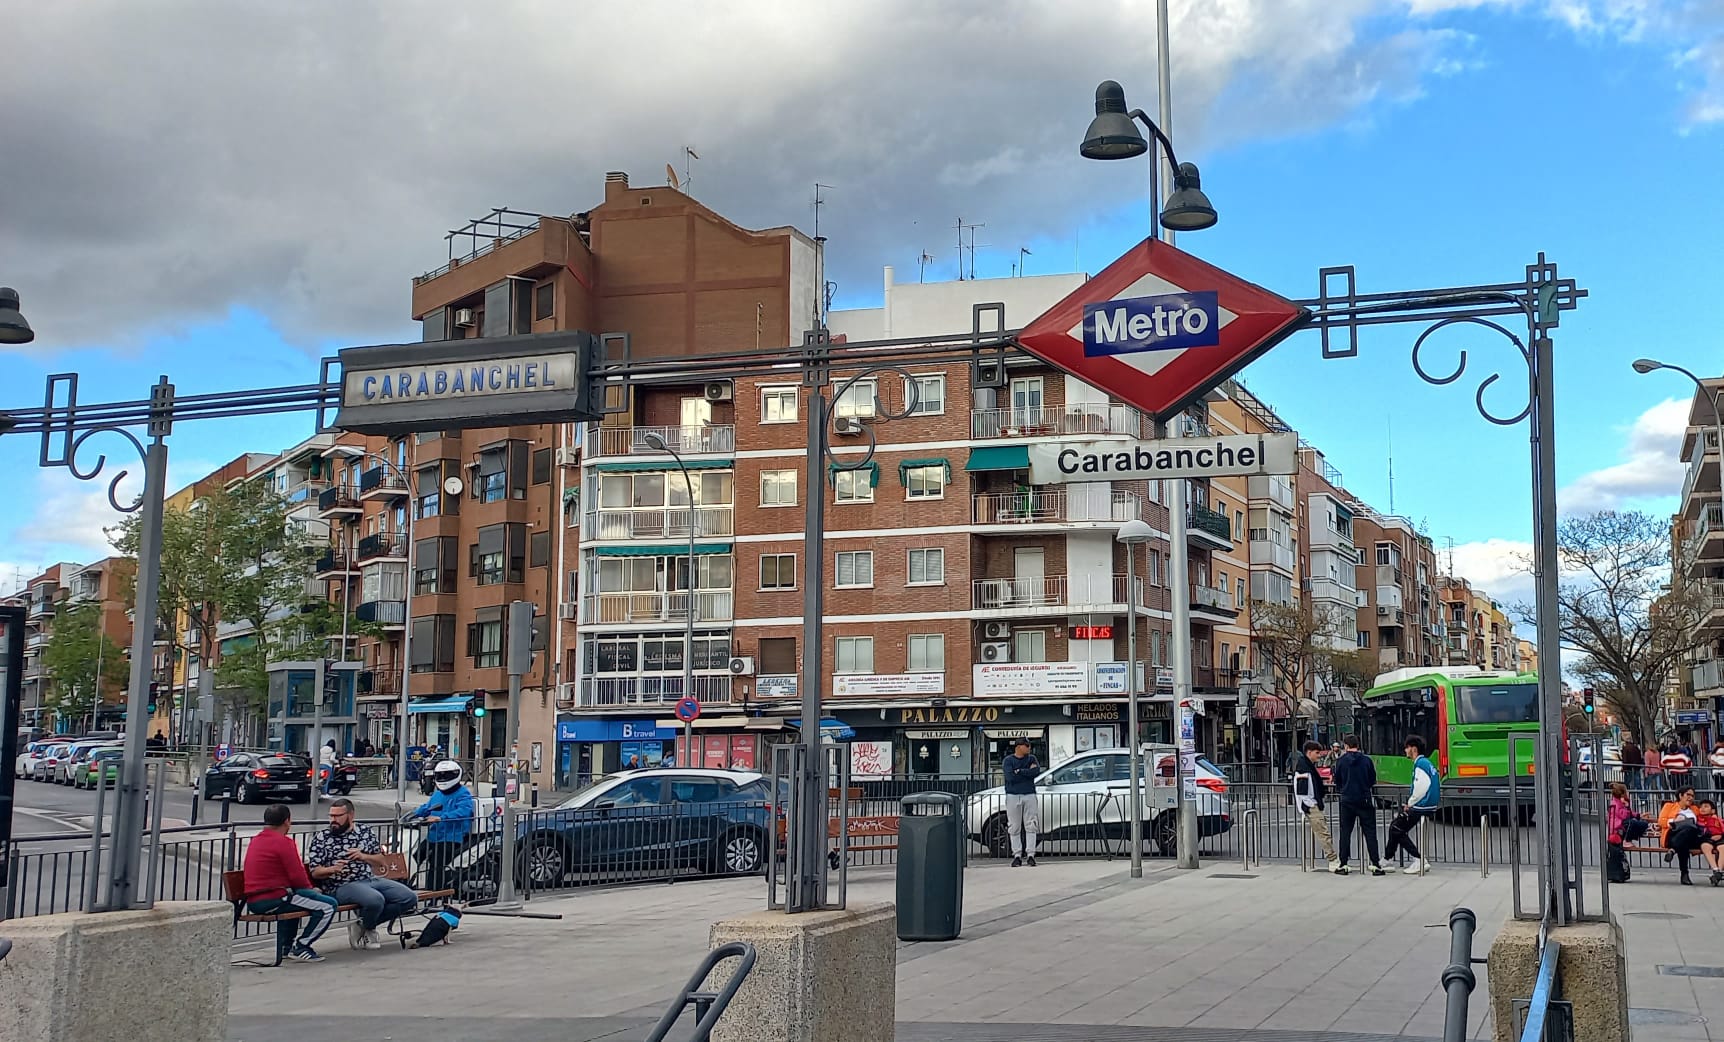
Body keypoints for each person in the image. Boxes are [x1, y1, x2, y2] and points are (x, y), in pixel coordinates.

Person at [305, 798, 419, 950]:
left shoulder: (365, 831)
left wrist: (363, 856)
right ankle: (370, 929)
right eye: (331, 816)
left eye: (338, 816)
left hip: (369, 879)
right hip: (341, 885)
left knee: (409, 897)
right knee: (375, 900)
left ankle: (363, 925)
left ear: (351, 815)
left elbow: (381, 861)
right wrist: (332, 869)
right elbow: (315, 872)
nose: (333, 820)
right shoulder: (322, 838)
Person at [240, 804, 338, 962]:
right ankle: (302, 946)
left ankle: (286, 947)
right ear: (287, 821)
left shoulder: (256, 840)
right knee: (328, 906)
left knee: (297, 900)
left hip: (254, 900)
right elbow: (297, 876)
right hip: (274, 897)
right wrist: (311, 889)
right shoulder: (284, 842)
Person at [411, 760, 475, 892]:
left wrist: (442, 817)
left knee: (436, 864)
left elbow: (464, 811)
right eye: (440, 775)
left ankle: (433, 894)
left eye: (446, 775)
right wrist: (414, 813)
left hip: (452, 836)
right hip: (434, 835)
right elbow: (427, 807)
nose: (443, 778)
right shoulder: (437, 793)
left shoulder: (463, 793)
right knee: (414, 858)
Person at [1331, 734, 1385, 876]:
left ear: (1346, 746)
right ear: (1358, 745)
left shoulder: (1341, 761)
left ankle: (1343, 863)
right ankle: (1376, 864)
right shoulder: (1367, 760)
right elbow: (1372, 779)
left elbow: (1338, 781)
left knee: (1345, 832)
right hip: (1364, 799)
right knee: (1370, 833)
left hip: (1347, 800)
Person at [1385, 735, 1440, 875]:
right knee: (1396, 827)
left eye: (1407, 748)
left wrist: (1410, 803)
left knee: (1396, 828)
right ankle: (1387, 859)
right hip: (1428, 804)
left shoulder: (1420, 764)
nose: (1405, 750)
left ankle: (1418, 859)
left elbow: (1420, 787)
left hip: (1422, 805)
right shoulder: (1427, 763)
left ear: (1413, 749)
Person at [1288, 741, 1339, 871]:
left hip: (1311, 803)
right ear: (1309, 752)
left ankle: (1332, 859)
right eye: (1317, 753)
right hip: (1311, 805)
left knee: (1323, 831)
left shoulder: (1306, 766)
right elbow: (1303, 792)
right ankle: (1332, 859)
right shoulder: (1304, 769)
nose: (1319, 755)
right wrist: (1311, 805)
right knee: (1323, 832)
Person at [1001, 738, 1041, 867]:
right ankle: (1017, 855)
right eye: (1027, 745)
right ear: (1019, 747)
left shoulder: (1032, 758)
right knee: (1014, 826)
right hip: (1013, 795)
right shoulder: (1008, 760)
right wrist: (1027, 773)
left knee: (1031, 825)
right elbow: (1010, 777)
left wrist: (1019, 771)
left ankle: (1031, 854)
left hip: (1029, 794)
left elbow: (1036, 772)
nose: (1029, 748)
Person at [1606, 782, 1648, 883]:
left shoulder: (1618, 802)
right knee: (1633, 823)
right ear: (1622, 794)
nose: (1628, 793)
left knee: (1641, 824)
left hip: (1620, 828)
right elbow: (1624, 816)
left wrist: (1638, 815)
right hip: (1618, 829)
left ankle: (1630, 838)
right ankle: (1627, 840)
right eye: (1626, 792)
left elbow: (1629, 814)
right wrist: (1627, 806)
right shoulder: (1615, 804)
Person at [1660, 786, 1703, 885]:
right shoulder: (1669, 806)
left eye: (1692, 796)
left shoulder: (1695, 809)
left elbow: (1705, 819)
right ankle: (1684, 874)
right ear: (1680, 795)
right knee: (1684, 841)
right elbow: (1661, 821)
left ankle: (1673, 850)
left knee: (1689, 830)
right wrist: (1673, 821)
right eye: (1688, 795)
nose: (1691, 798)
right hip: (1673, 835)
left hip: (1691, 837)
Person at [1696, 799, 1724, 886]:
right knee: (1705, 847)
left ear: (1713, 810)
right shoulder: (1698, 819)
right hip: (1707, 839)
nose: (1702, 809)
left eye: (1706, 807)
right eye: (1701, 807)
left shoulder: (1718, 819)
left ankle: (1719, 870)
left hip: (1720, 838)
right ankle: (1715, 869)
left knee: (1723, 848)